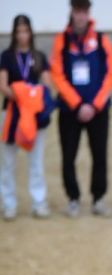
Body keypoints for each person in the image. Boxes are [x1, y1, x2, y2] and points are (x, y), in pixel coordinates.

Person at [50, 0, 112, 217]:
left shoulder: (100, 39)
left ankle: (98, 198)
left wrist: (95, 104)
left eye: (84, 11)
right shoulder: (62, 40)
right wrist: (77, 104)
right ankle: (73, 198)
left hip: (98, 111)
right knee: (68, 155)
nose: (81, 15)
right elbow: (57, 74)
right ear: (72, 12)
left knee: (100, 154)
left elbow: (111, 73)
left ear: (89, 13)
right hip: (71, 111)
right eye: (77, 11)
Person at [0, 14, 52, 220]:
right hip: (12, 113)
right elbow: (3, 85)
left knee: (36, 161)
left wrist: (33, 95)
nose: (23, 35)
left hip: (33, 115)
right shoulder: (6, 56)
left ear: (31, 33)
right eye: (19, 31)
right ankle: (9, 202)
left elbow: (46, 83)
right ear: (14, 33)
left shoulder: (38, 56)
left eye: (26, 31)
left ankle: (39, 202)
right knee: (8, 160)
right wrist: (20, 94)